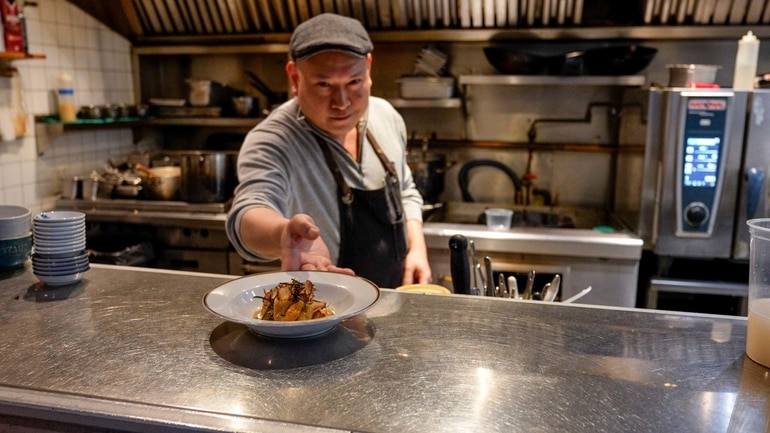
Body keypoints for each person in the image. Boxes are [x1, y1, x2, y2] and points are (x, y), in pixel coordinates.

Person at [226, 13, 432, 288]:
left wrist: (417, 248)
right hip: (325, 309)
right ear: (294, 78)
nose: (342, 102)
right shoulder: (272, 140)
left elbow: (405, 190)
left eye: (354, 82)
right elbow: (249, 211)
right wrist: (283, 234)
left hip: (395, 296)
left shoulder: (386, 116)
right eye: (324, 85)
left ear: (368, 68)